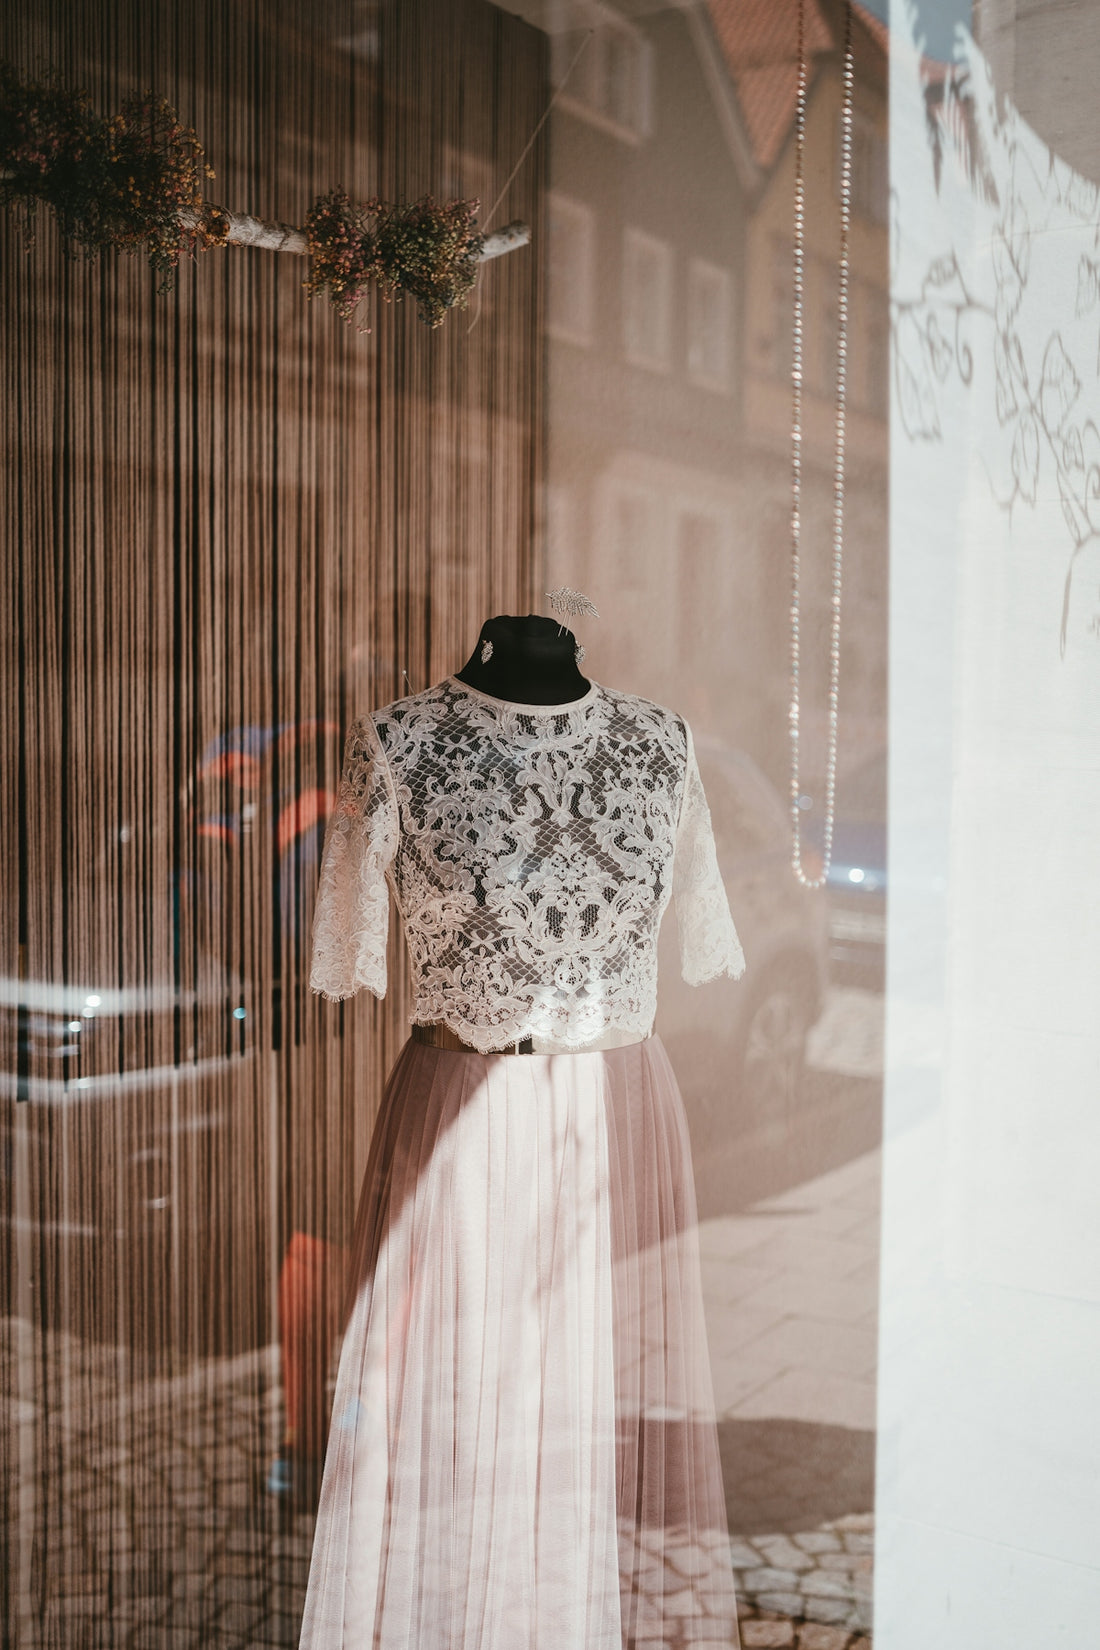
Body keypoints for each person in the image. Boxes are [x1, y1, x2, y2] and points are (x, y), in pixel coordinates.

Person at [299, 614, 745, 1649]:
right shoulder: (398, 744)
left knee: (597, 1381)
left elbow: (697, 932)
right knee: (454, 1389)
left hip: (618, 1105)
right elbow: (348, 950)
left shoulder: (660, 742)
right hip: (464, 1100)